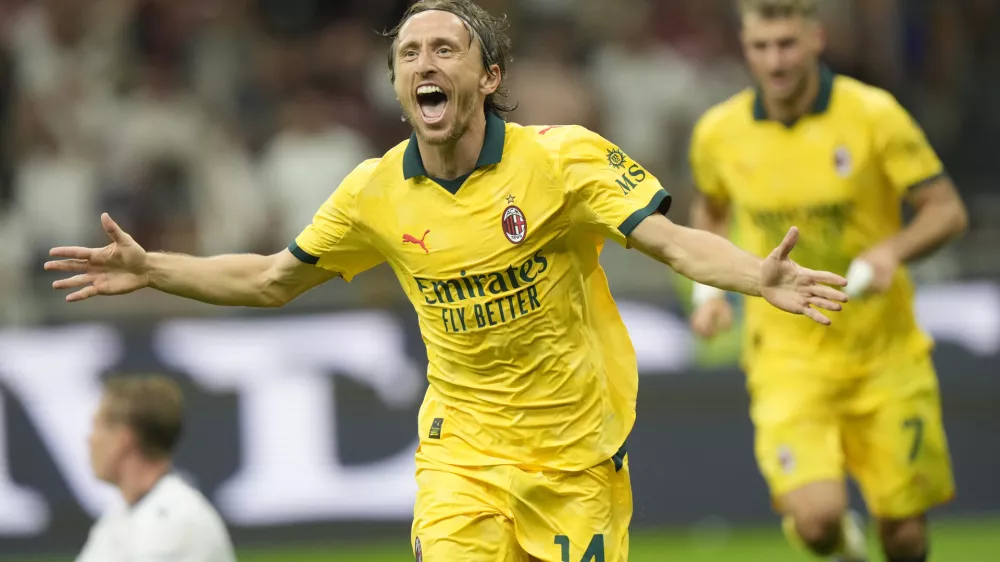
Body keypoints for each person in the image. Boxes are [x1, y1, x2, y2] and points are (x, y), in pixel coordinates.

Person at [47, 1, 848, 560]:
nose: (424, 63)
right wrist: (153, 268)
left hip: (576, 457)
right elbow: (268, 279)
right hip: (461, 456)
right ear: (398, 88)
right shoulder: (373, 192)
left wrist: (757, 276)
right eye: (409, 54)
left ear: (489, 77)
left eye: (444, 50)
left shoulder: (562, 160)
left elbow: (670, 242)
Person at [687, 1, 969, 561]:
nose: (775, 61)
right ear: (745, 48)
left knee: (905, 536)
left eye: (787, 44)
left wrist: (892, 250)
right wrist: (709, 292)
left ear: (816, 39)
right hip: (787, 357)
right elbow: (711, 212)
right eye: (761, 47)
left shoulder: (873, 115)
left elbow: (947, 211)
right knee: (816, 523)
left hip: (883, 353)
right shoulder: (719, 133)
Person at [76, 375, 236, 562]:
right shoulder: (119, 515)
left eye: (97, 427)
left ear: (123, 439)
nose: (90, 440)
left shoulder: (173, 519)